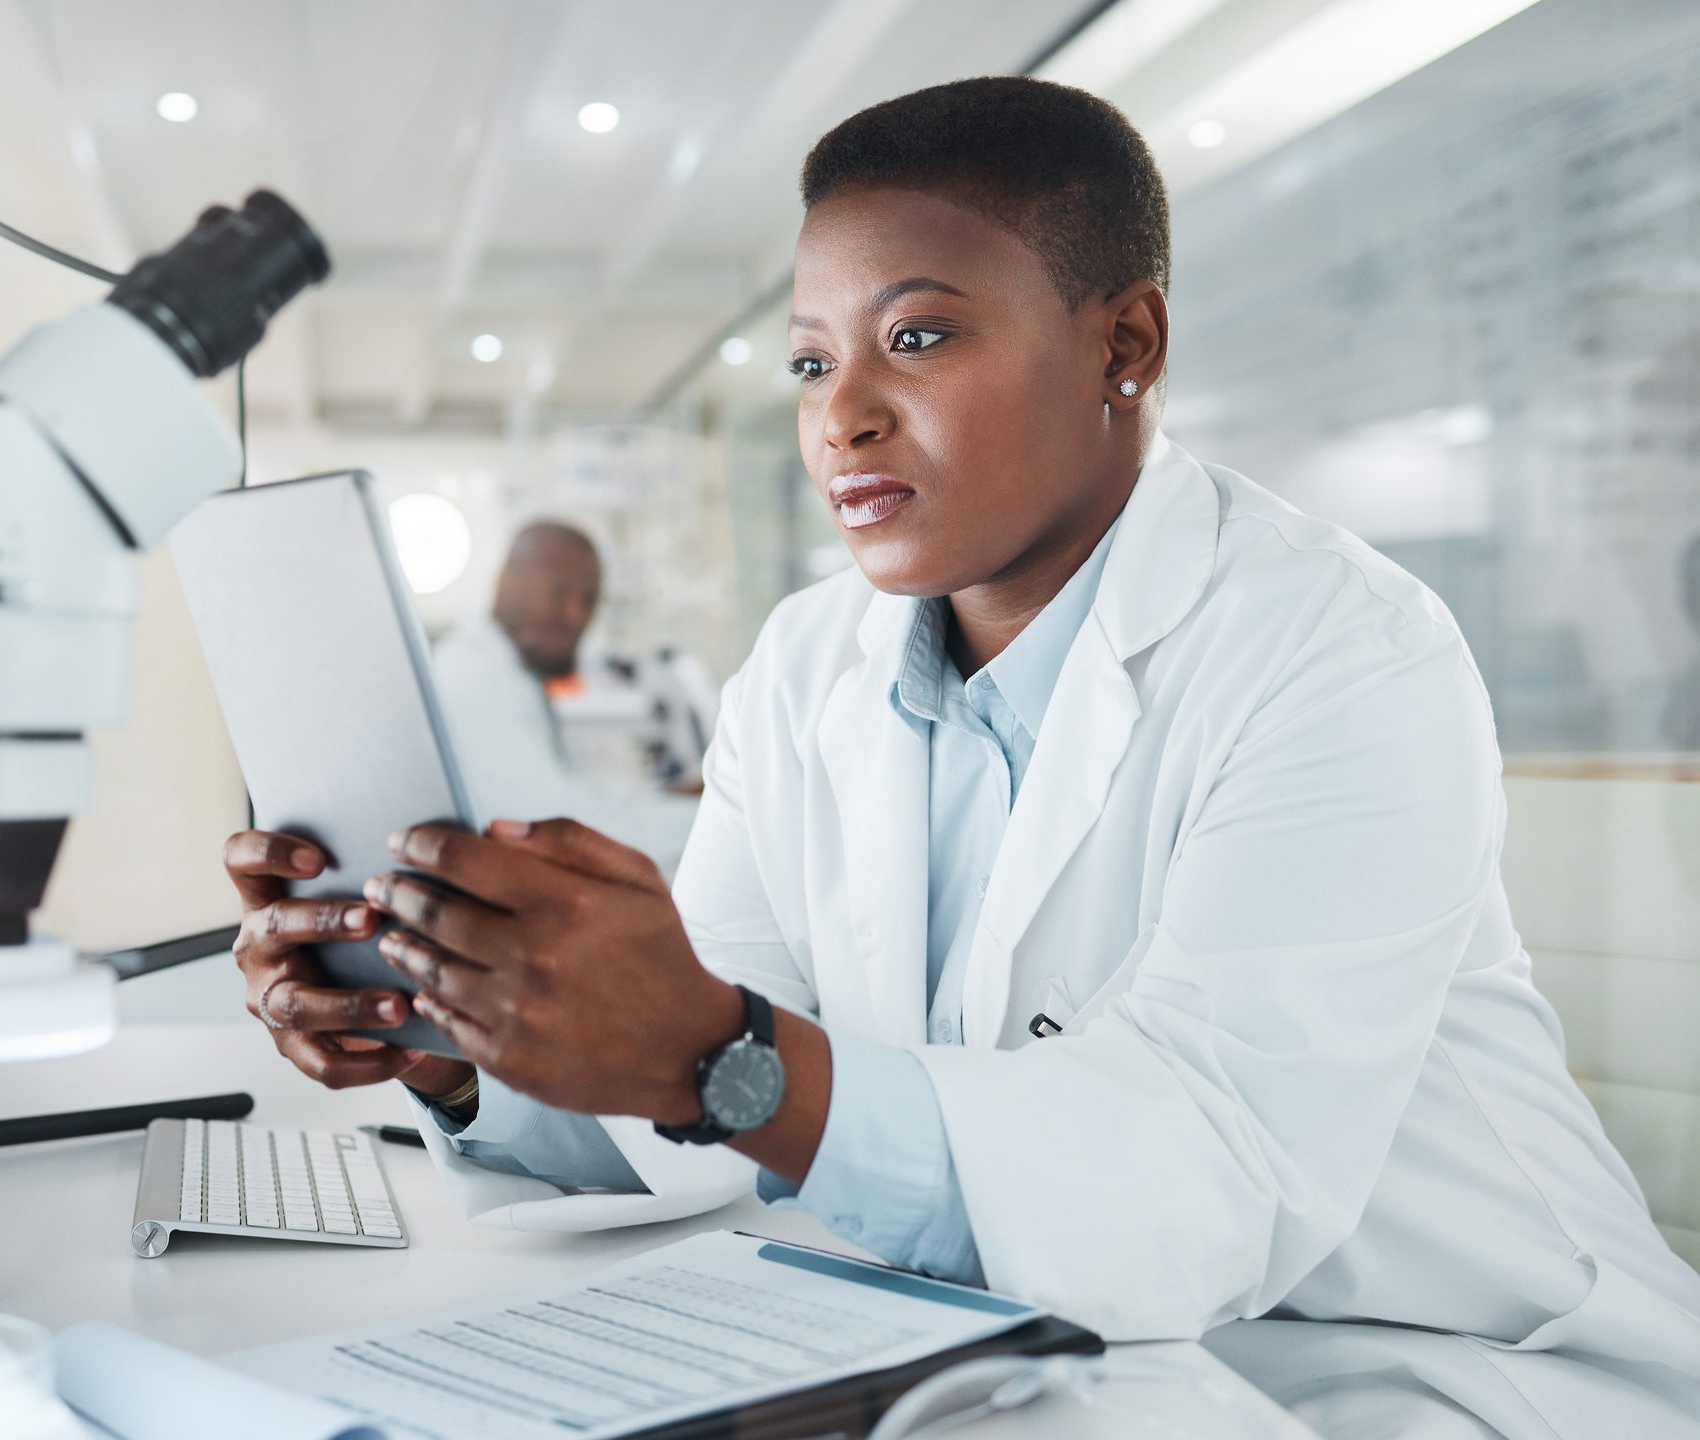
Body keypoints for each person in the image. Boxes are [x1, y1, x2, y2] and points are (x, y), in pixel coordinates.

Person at [224, 78, 1700, 1439]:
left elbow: (1205, 1179)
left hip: (1418, 1366)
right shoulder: (806, 670)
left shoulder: (1339, 650)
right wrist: (472, 1038)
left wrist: (716, 1054)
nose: (840, 414)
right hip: (1025, 1349)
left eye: (915, 337)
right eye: (809, 360)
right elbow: (723, 1089)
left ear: (1124, 344)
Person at [432, 520, 698, 874]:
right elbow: (569, 834)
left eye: (588, 601)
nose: (575, 615)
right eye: (557, 593)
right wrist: (724, 812)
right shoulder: (476, 680)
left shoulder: (498, 669)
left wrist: (677, 799)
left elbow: (569, 801)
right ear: (504, 583)